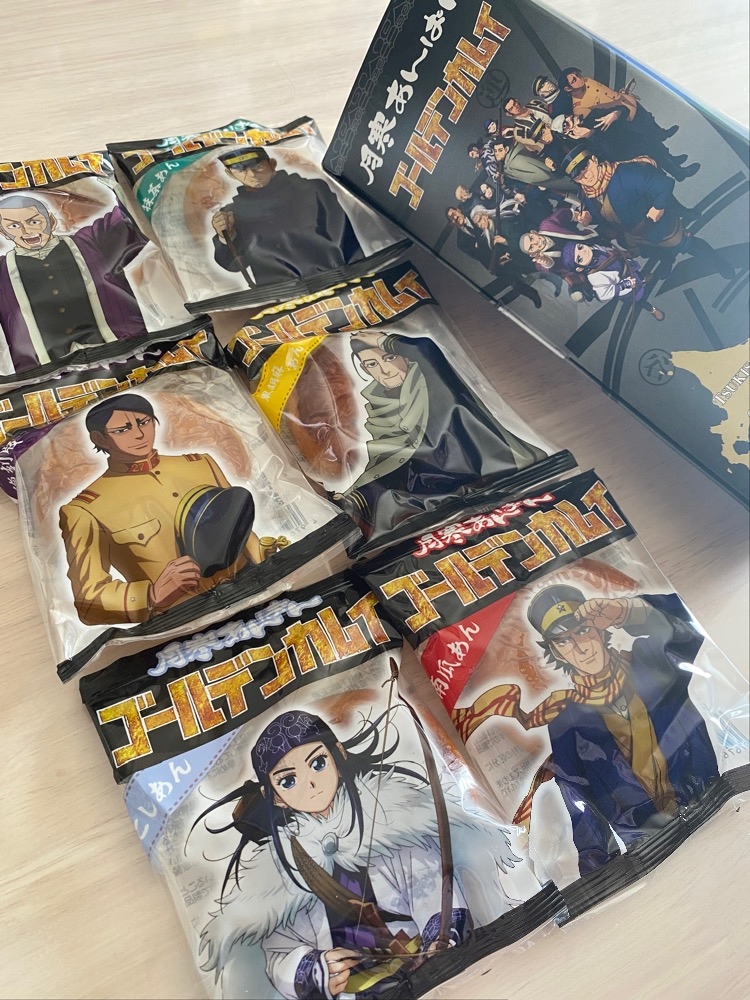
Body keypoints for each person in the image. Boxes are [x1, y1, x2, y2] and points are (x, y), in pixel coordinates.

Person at [196, 708, 521, 999]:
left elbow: (432, 885)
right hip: (352, 990)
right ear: (275, 796)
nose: (310, 784)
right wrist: (312, 969)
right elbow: (279, 949)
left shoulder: (389, 823)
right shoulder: (280, 874)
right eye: (289, 780)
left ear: (338, 756)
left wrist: (441, 936)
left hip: (427, 969)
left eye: (318, 764)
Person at [452, 587, 720, 876]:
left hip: (716, 804)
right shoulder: (565, 720)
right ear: (555, 650)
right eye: (564, 641)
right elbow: (578, 798)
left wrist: (626, 612)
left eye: (582, 631)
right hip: (654, 852)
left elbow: (685, 626)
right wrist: (599, 874)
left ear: (599, 629)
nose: (579, 647)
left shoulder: (648, 660)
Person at [59, 392, 269, 627]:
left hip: (255, 591)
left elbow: (237, 526)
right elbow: (88, 601)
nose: (139, 434)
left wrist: (265, 558)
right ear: (100, 438)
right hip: (187, 622)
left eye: (143, 422)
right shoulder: (84, 509)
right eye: (123, 429)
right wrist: (151, 596)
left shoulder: (201, 463)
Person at [337, 331, 547, 538]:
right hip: (430, 484)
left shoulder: (429, 378)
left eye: (390, 358)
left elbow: (425, 349)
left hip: (476, 460)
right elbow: (386, 458)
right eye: (372, 364)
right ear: (364, 369)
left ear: (404, 356)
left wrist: (385, 340)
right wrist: (355, 493)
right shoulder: (378, 403)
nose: (385, 371)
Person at [0, 195, 149, 373]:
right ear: (3, 233)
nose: (26, 231)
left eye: (34, 221)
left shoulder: (92, 241)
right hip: (44, 378)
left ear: (51, 220)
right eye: (13, 226)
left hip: (134, 353)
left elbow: (128, 212)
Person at [562, 145, 735, 278]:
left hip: (654, 225)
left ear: (593, 160)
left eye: (586, 167)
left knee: (686, 244)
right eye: (579, 175)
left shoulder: (625, 174)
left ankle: (719, 263)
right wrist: (589, 218)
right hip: (632, 236)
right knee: (650, 252)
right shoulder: (587, 194)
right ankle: (667, 260)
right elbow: (603, 215)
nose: (586, 175)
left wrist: (657, 207)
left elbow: (664, 184)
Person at [212, 147, 364, 285]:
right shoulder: (232, 214)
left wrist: (361, 277)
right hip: (280, 294)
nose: (252, 175)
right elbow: (235, 266)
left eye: (258, 167)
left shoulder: (312, 189)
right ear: (230, 174)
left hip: (335, 281)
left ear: (272, 164)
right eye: (241, 171)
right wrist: (227, 236)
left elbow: (346, 239)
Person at [445, 206, 542, 308]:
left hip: (502, 248)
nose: (455, 217)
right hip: (492, 261)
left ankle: (542, 273)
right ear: (452, 224)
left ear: (458, 211)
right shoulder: (461, 242)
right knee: (512, 280)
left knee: (522, 266)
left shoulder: (474, 214)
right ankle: (532, 294)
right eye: (452, 218)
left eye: (454, 213)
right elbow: (476, 255)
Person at [557, 67, 679, 147]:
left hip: (624, 100)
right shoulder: (579, 109)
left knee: (647, 118)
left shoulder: (587, 80)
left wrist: (620, 95)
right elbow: (597, 120)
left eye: (578, 75)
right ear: (567, 88)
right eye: (574, 80)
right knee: (646, 136)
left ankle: (662, 133)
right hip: (620, 118)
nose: (579, 79)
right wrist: (617, 109)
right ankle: (670, 160)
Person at [561, 112, 699, 182]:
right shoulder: (584, 146)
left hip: (634, 139)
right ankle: (675, 174)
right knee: (655, 174)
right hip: (627, 157)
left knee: (654, 147)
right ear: (567, 133)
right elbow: (609, 154)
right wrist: (590, 136)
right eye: (567, 124)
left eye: (568, 117)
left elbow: (623, 110)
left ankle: (677, 171)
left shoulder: (593, 116)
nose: (571, 118)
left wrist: (616, 114)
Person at [560, 240, 665, 320]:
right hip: (626, 287)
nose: (584, 252)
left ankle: (642, 280)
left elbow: (610, 251)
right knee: (637, 298)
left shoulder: (595, 248)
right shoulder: (594, 277)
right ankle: (651, 309)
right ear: (579, 268)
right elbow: (603, 295)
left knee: (638, 277)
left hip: (627, 269)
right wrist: (624, 285)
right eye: (580, 258)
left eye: (580, 247)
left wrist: (625, 254)